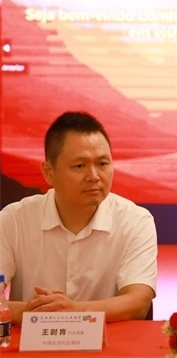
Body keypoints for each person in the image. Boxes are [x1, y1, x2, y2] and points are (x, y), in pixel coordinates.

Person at [0, 111, 157, 323]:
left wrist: (73, 311)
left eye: (102, 164)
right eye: (79, 166)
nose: (94, 176)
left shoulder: (135, 221)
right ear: (48, 172)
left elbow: (138, 302)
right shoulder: (13, 220)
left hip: (110, 343)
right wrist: (32, 312)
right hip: (31, 341)